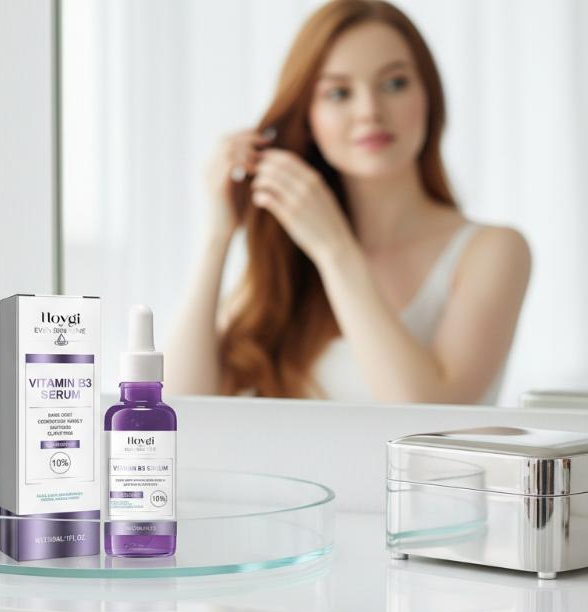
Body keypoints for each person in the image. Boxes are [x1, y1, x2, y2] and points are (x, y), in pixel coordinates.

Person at [165, 0, 530, 404]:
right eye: (339, 93)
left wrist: (336, 251)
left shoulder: (493, 251)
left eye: (394, 84)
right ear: (308, 118)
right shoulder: (285, 262)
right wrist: (217, 238)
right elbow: (179, 407)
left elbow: (429, 415)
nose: (369, 111)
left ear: (429, 96)